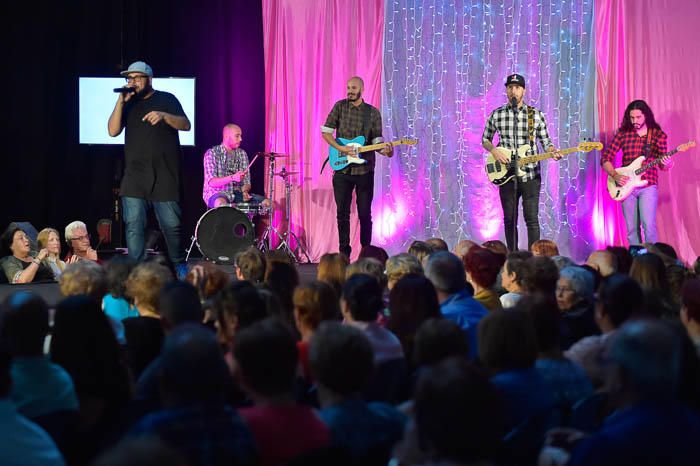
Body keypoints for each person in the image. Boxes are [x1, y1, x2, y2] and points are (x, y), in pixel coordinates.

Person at [107, 61, 191, 269]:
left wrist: (165, 116)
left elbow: (186, 124)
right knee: (133, 225)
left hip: (164, 175)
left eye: (137, 78)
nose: (132, 82)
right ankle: (136, 271)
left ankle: (179, 264)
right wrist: (120, 101)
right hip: (135, 176)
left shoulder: (167, 99)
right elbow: (112, 131)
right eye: (129, 78)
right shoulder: (128, 103)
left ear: (149, 78)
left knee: (171, 225)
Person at [482, 73, 562, 251]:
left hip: (531, 174)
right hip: (506, 175)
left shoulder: (536, 115)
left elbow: (546, 141)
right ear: (506, 90)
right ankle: (513, 256)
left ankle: (534, 257)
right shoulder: (497, 114)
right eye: (510, 87)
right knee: (510, 219)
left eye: (517, 87)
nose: (513, 91)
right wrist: (494, 151)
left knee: (531, 219)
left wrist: (552, 151)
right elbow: (485, 139)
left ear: (523, 91)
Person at [321, 76, 393, 258]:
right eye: (348, 87)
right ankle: (344, 254)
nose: (350, 90)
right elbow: (326, 132)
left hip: (364, 171)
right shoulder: (340, 107)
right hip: (342, 170)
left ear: (362, 89)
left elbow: (377, 141)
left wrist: (387, 151)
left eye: (353, 88)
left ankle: (366, 253)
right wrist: (341, 148)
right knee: (342, 214)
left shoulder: (372, 113)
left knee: (364, 214)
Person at [601, 100, 672, 245]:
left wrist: (668, 163)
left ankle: (651, 262)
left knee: (649, 227)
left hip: (648, 185)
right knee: (632, 230)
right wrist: (615, 175)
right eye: (632, 118)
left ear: (646, 116)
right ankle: (636, 261)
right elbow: (605, 158)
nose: (635, 121)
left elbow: (662, 165)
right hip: (626, 187)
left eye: (638, 117)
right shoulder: (623, 134)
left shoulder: (658, 135)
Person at [202, 123, 269, 208]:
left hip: (237, 193)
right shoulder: (212, 153)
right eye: (237, 136)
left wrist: (244, 192)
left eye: (240, 136)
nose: (241, 139)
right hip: (218, 193)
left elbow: (247, 182)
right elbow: (212, 182)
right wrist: (232, 177)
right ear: (226, 136)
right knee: (222, 204)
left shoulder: (242, 153)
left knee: (268, 204)